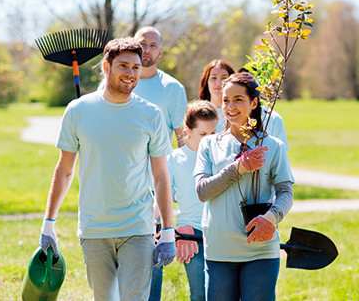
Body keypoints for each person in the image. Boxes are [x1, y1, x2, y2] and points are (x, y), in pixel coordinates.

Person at [39, 37, 176, 301]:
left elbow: (160, 177)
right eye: (123, 66)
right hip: (94, 228)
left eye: (136, 68)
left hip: (137, 226)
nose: (130, 73)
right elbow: (65, 170)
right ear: (106, 67)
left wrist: (168, 230)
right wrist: (48, 224)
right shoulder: (78, 110)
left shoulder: (151, 114)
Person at [193, 72, 294, 301]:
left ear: (254, 102)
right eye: (226, 100)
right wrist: (237, 168)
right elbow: (202, 191)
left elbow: (286, 192)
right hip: (220, 250)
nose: (230, 106)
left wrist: (271, 218)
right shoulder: (210, 144)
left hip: (261, 249)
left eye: (238, 99)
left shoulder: (272, 146)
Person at [99, 26, 188, 147]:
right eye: (142, 44)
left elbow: (182, 137)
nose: (147, 50)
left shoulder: (174, 88)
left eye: (153, 46)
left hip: (157, 163)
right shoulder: (110, 83)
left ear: (160, 52)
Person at [165, 100, 219, 301]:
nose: (209, 140)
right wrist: (172, 230)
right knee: (200, 294)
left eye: (213, 134)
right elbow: (163, 199)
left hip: (220, 231)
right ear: (187, 130)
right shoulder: (174, 159)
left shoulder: (221, 157)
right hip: (191, 232)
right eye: (203, 134)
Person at [198, 60, 289, 150]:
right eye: (213, 78)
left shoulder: (272, 118)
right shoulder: (200, 118)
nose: (219, 83)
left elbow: (279, 154)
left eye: (224, 78)